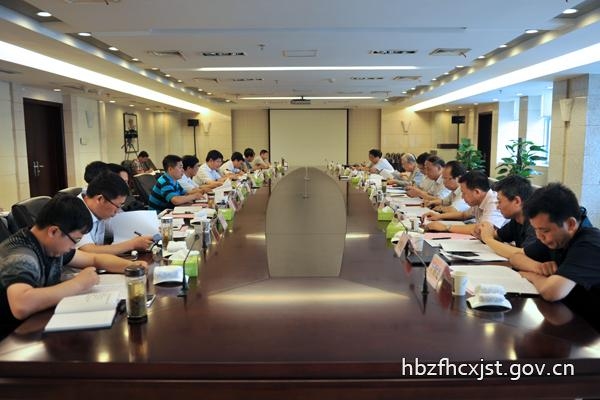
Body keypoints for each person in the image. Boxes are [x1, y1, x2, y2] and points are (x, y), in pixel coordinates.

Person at [0, 195, 147, 334]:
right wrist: (78, 284)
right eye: (75, 240)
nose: (73, 247)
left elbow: (94, 259)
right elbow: (21, 305)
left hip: (40, 321)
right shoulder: (20, 255)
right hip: (13, 338)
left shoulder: (50, 245)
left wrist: (130, 267)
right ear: (53, 231)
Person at [512, 183, 600, 304]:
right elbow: (516, 257)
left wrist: (532, 275)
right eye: (536, 229)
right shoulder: (555, 238)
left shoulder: (589, 245)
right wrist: (538, 267)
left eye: (544, 230)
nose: (539, 236)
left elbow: (552, 292)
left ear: (570, 224)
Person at [77, 172, 154, 255]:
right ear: (100, 199)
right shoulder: (75, 211)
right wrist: (133, 244)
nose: (117, 211)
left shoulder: (99, 211)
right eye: (118, 206)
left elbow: (118, 231)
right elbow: (88, 251)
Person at [425, 170, 507, 235]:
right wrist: (438, 216)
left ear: (477, 192)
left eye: (464, 193)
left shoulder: (494, 202)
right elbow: (463, 215)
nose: (462, 197)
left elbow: (483, 229)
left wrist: (446, 227)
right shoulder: (479, 200)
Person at [473, 175, 536, 259]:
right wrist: (482, 232)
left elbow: (525, 255)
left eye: (499, 201)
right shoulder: (516, 220)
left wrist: (488, 239)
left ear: (517, 201)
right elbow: (497, 235)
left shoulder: (535, 223)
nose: (497, 207)